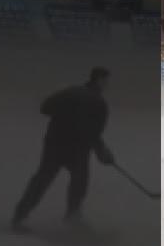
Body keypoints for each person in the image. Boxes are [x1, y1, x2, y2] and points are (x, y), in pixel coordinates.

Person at [12, 67, 114, 231]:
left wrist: (64, 116)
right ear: (100, 80)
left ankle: (19, 216)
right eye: (106, 81)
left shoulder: (70, 92)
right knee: (79, 181)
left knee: (42, 180)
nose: (108, 84)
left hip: (55, 143)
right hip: (77, 149)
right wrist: (102, 151)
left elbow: (45, 108)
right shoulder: (99, 103)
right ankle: (72, 216)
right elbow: (93, 133)